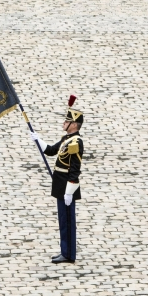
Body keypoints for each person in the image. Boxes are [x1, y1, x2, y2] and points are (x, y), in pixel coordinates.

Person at [30, 107, 84, 264]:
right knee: (63, 220)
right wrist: (38, 140)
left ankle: (69, 254)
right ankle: (65, 251)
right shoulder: (66, 139)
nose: (64, 123)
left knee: (68, 221)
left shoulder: (75, 142)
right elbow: (52, 151)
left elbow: (75, 169)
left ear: (74, 124)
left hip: (67, 186)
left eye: (67, 121)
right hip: (60, 185)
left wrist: (69, 191)